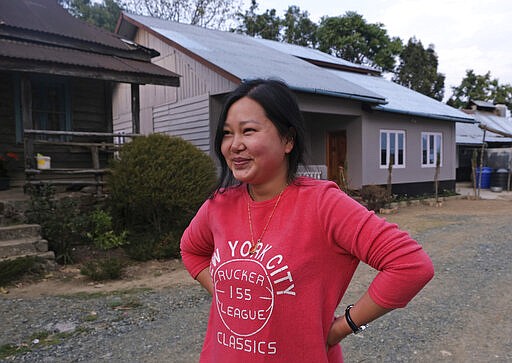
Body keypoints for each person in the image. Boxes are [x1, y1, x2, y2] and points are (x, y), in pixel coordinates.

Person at [180, 79, 434, 362]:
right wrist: (229, 295)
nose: (235, 145)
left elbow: (410, 265)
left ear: (288, 140)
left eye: (248, 131)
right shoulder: (219, 204)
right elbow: (191, 250)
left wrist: (343, 326)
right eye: (227, 134)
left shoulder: (324, 205)